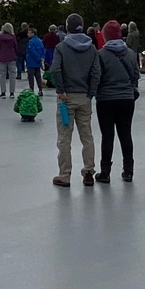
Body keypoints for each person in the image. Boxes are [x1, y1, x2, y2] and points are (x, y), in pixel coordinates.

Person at [50, 14, 103, 187]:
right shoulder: (92, 48)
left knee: (64, 138)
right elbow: (96, 72)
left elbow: (55, 69)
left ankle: (65, 175)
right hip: (84, 97)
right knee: (87, 136)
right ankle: (88, 171)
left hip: (66, 98)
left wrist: (61, 90)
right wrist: (91, 93)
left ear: (67, 27)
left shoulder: (61, 47)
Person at [94, 20, 140, 182]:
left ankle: (105, 172)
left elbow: (97, 77)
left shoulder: (100, 54)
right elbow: (135, 75)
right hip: (127, 99)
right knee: (126, 134)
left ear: (105, 36)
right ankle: (128, 171)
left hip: (106, 99)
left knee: (107, 136)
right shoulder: (131, 54)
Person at [0, 22, 20, 97]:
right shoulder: (13, 37)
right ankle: (12, 92)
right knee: (12, 75)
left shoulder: (0, 38)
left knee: (2, 75)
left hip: (2, 57)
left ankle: (3, 92)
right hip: (12, 57)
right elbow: (16, 47)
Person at [25, 26, 46, 91]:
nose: (27, 34)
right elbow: (43, 50)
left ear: (33, 34)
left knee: (31, 77)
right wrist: (41, 58)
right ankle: (40, 89)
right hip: (38, 63)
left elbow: (32, 51)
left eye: (29, 33)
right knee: (38, 76)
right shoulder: (40, 41)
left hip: (31, 61)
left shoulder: (31, 42)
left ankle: (31, 89)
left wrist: (37, 58)